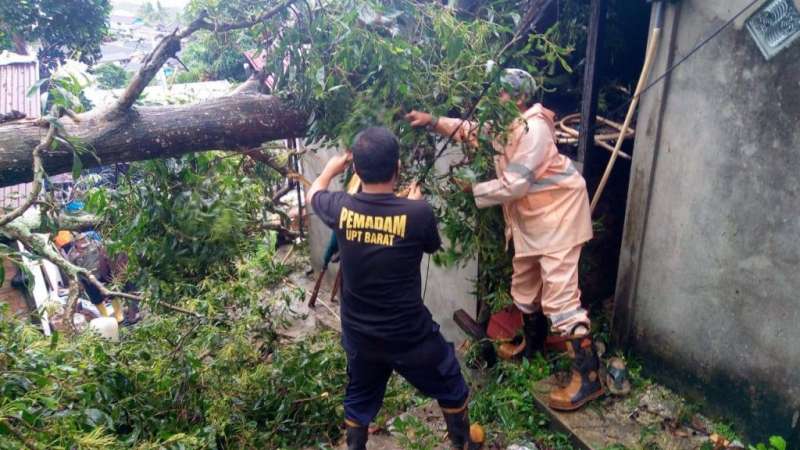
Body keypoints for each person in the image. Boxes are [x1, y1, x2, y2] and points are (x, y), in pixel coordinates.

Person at [405, 68, 602, 412]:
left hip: (560, 216)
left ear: (519, 98)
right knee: (524, 286)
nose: (492, 100)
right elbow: (471, 131)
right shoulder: (505, 123)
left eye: (500, 94)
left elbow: (516, 184)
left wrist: (474, 189)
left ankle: (589, 376)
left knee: (559, 295)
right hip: (534, 218)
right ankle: (534, 344)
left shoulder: (534, 128)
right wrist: (432, 119)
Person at [307, 127, 485, 449]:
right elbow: (429, 244)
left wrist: (332, 168)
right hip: (409, 336)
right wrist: (411, 204)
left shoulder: (341, 209)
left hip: (360, 335)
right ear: (398, 168)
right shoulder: (417, 213)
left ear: (357, 171)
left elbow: (314, 194)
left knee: (359, 397)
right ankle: (464, 444)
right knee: (450, 381)